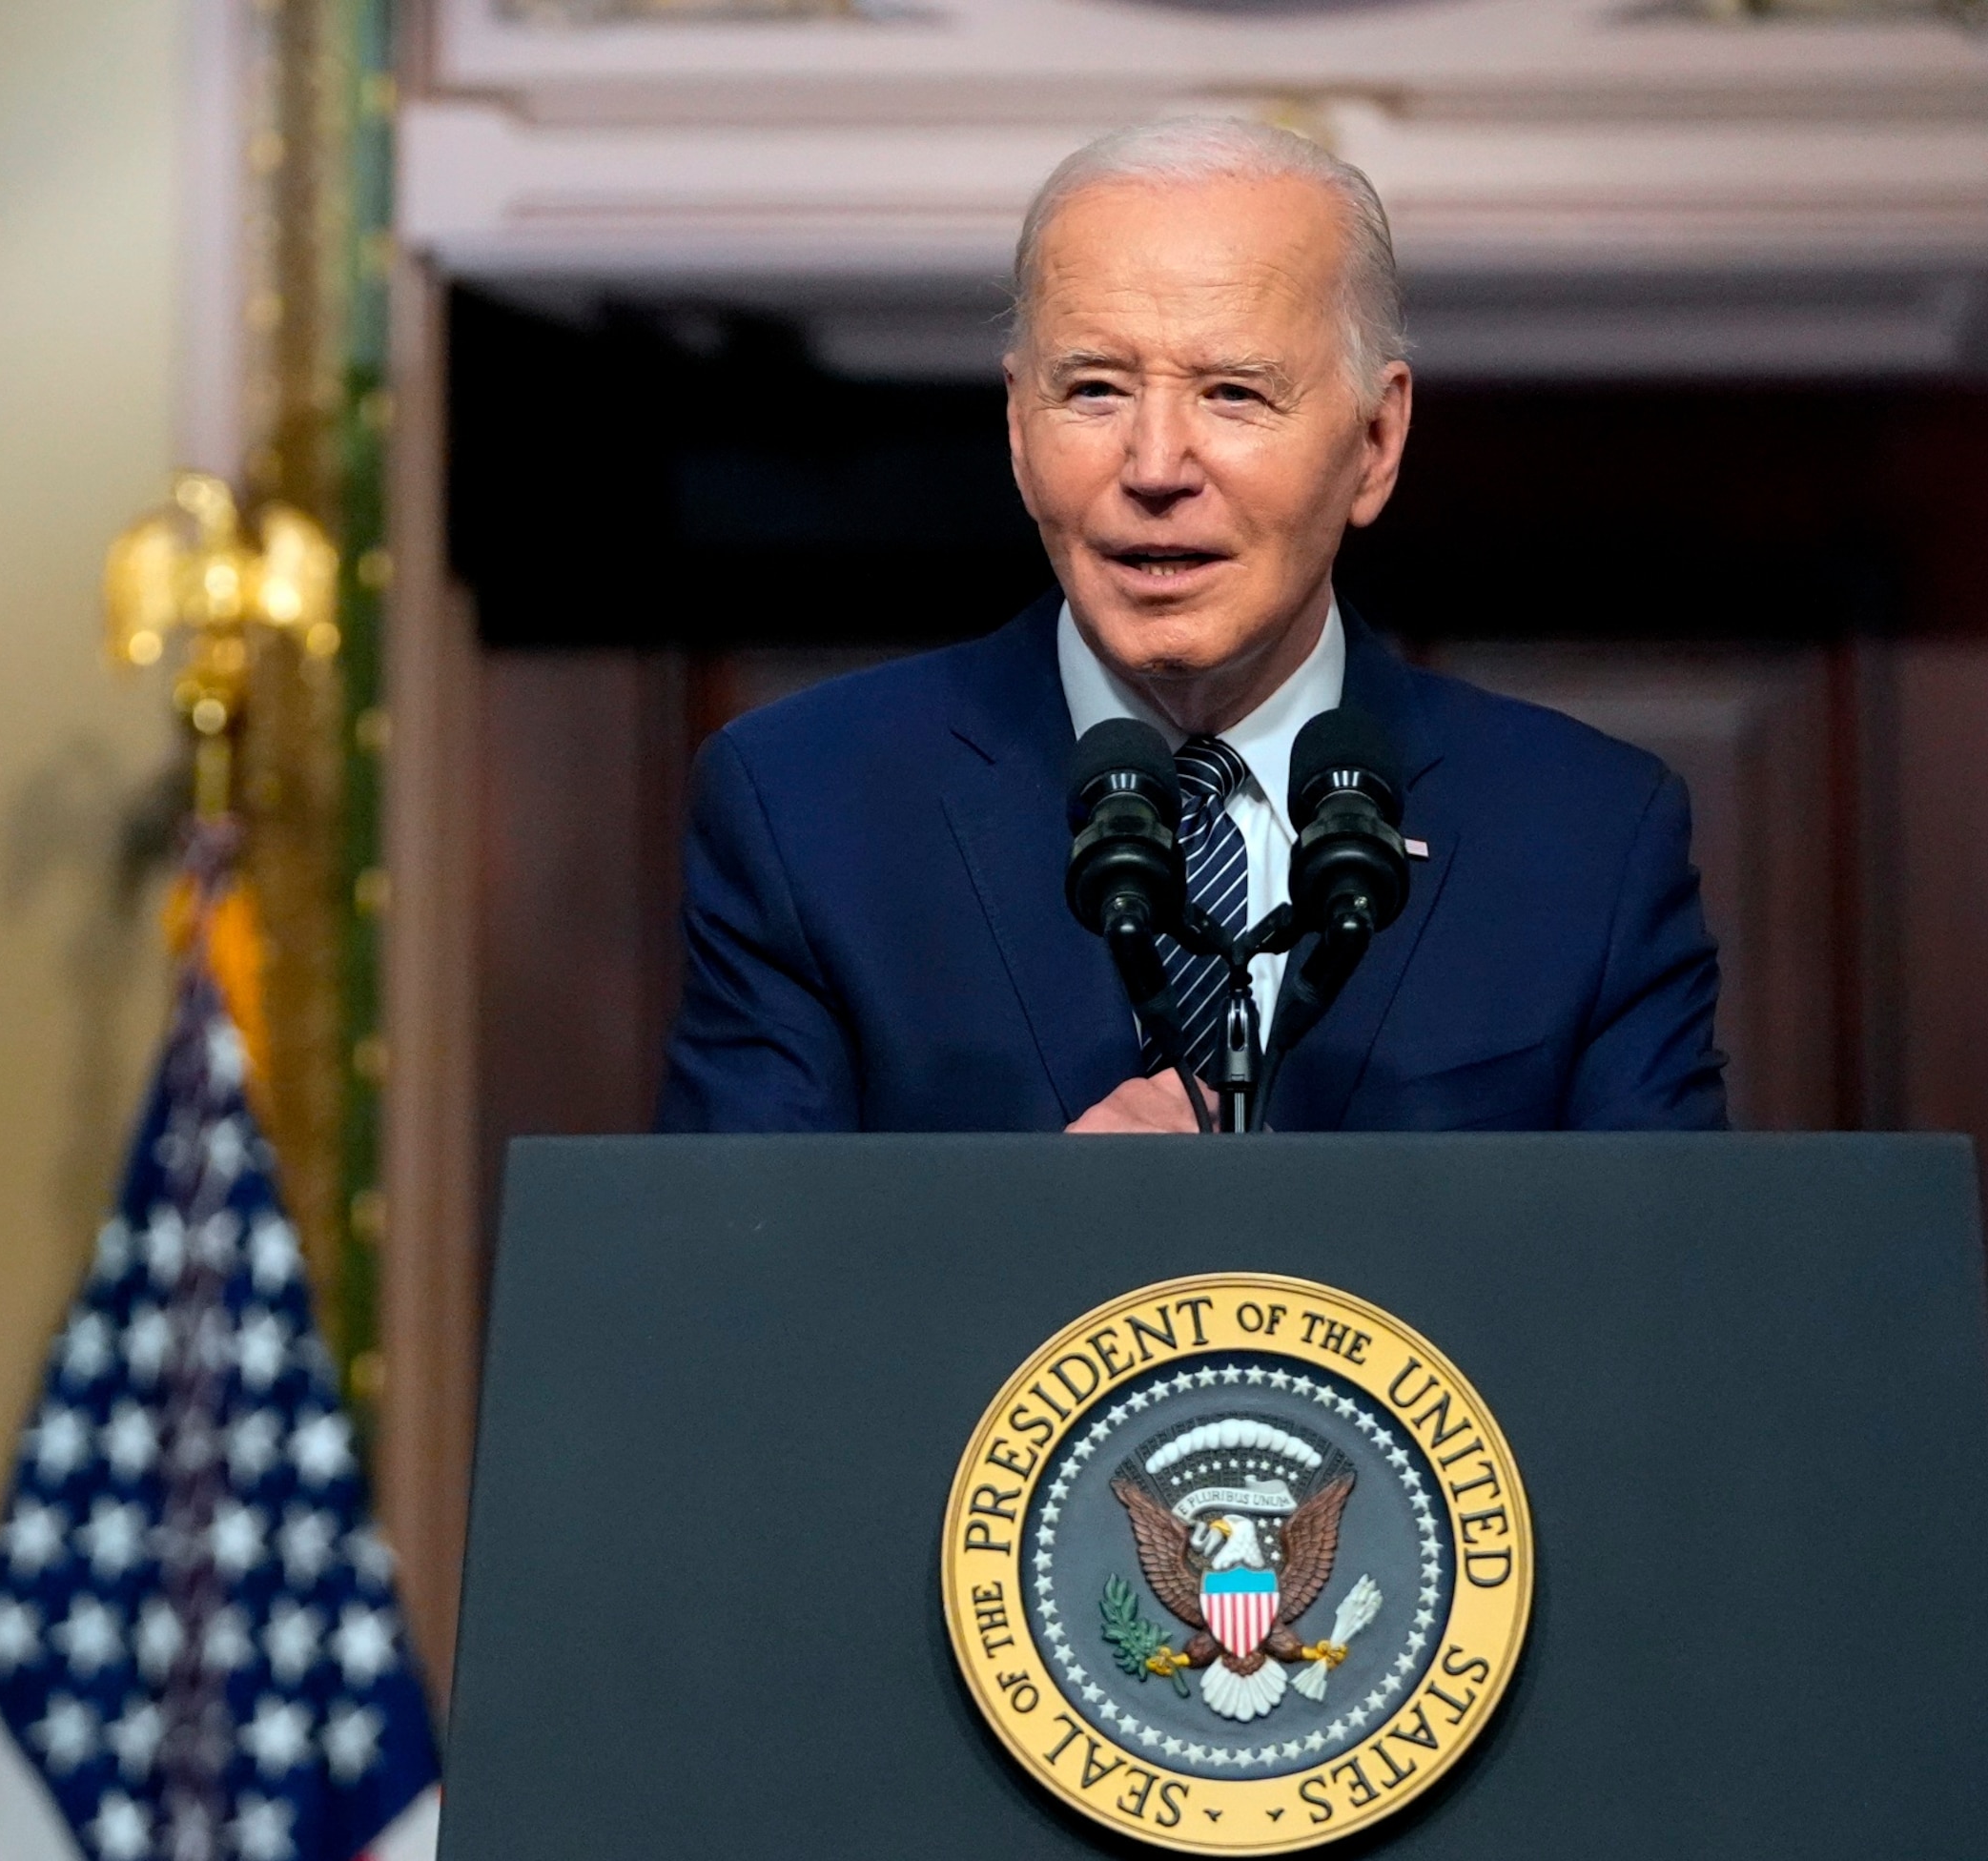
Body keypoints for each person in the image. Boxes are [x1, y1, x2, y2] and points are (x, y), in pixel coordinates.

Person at [656, 117, 1726, 1135]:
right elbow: (730, 1293)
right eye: (1094, 390)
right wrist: (1032, 1236)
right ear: (1021, 432)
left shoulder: (1589, 838)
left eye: (1232, 394)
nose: (1157, 468)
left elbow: (1664, 1291)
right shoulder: (806, 809)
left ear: (1376, 440)